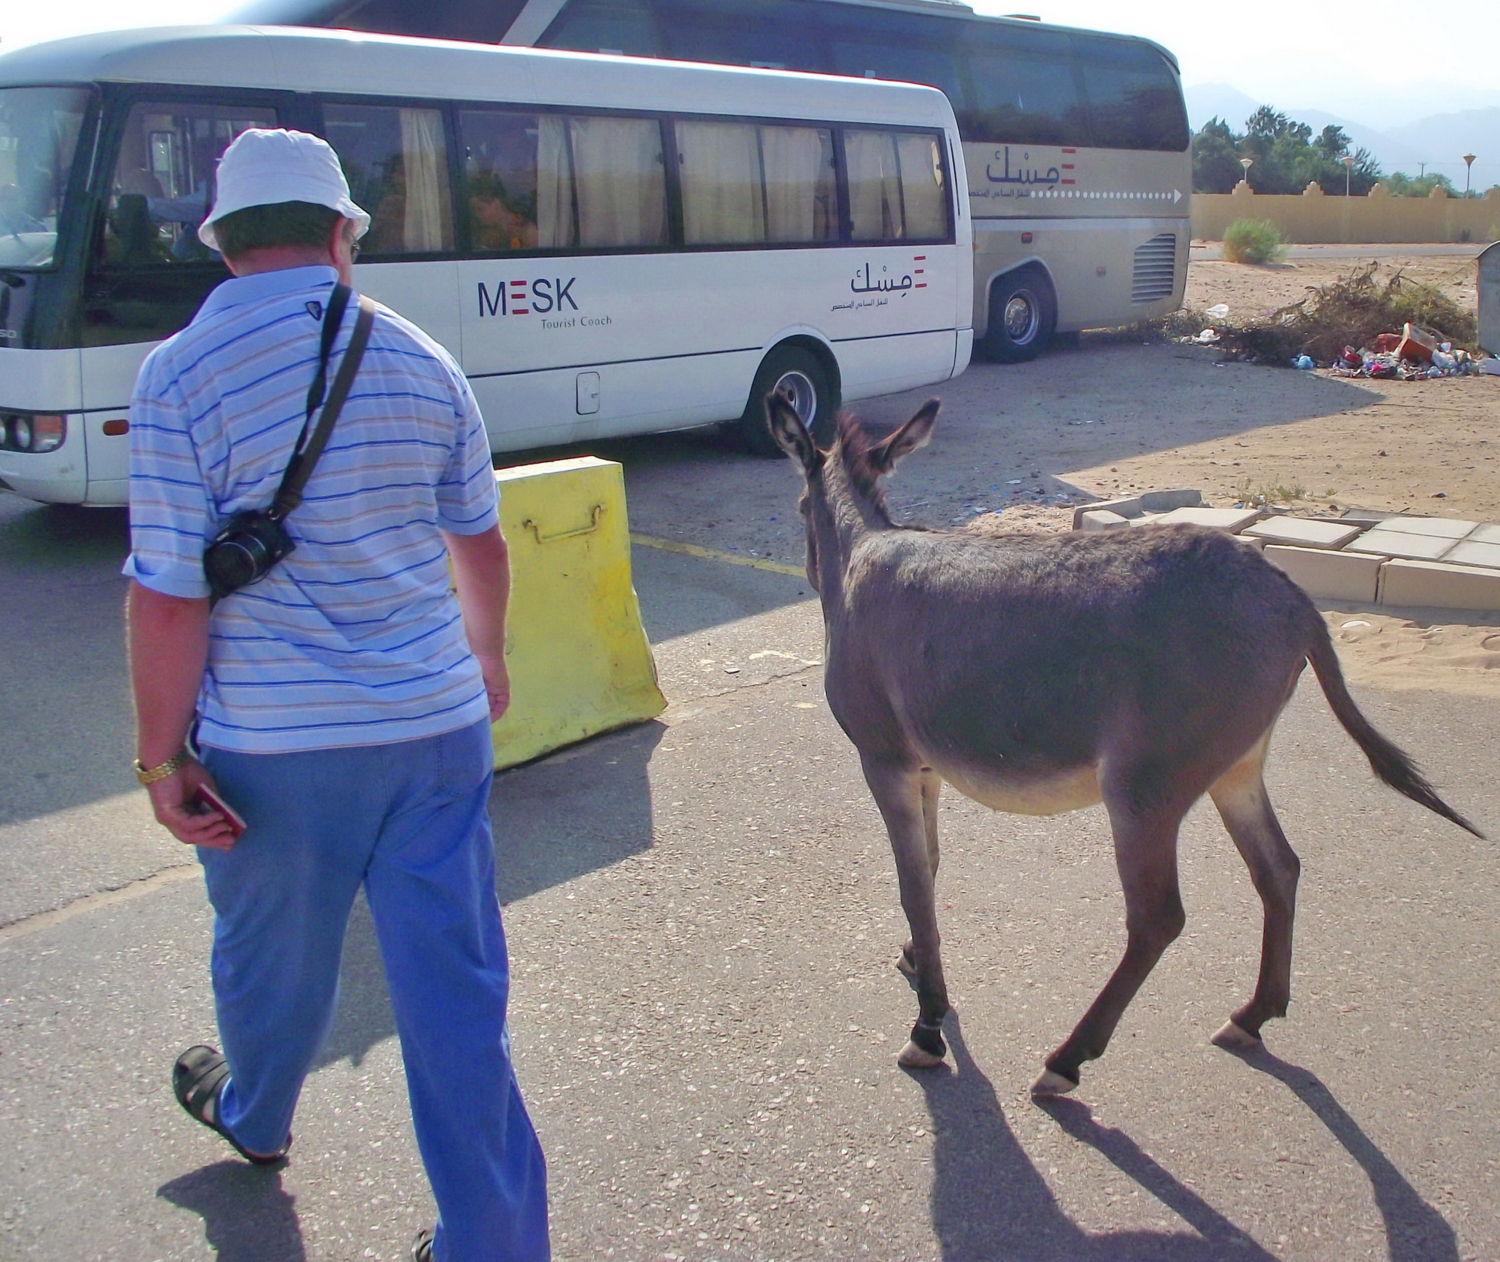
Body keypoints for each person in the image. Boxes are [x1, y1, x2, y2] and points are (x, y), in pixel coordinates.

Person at [123, 128, 549, 1262]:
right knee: (455, 991)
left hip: (275, 746)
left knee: (273, 953)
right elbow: (482, 542)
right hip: (433, 730)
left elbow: (167, 597)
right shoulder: (422, 359)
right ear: (341, 233)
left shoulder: (176, 375)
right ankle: (495, 1238)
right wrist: (487, 659)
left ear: (224, 246)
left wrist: (163, 762)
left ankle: (256, 1113)